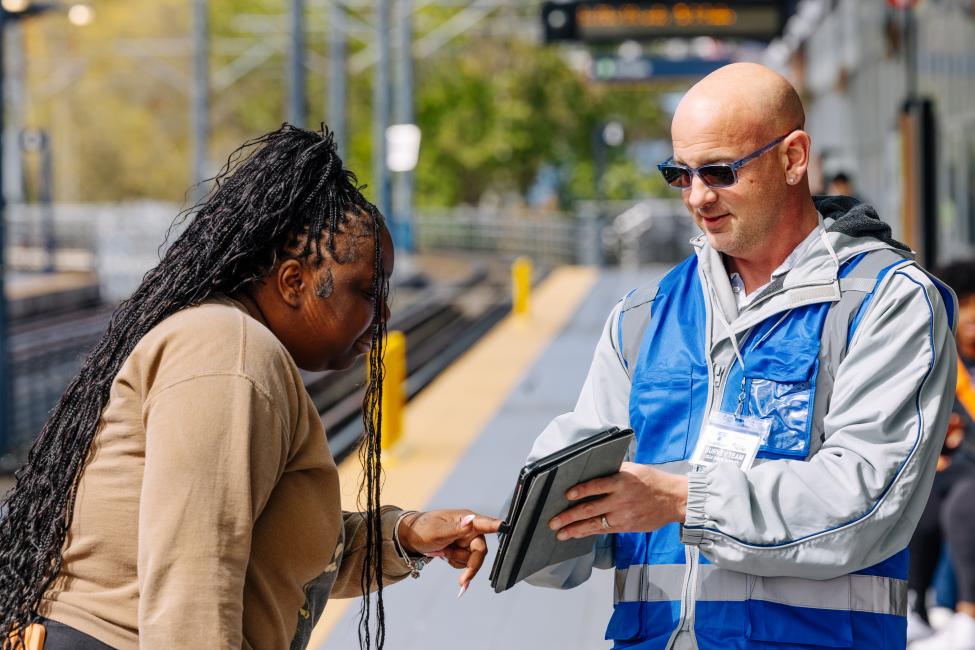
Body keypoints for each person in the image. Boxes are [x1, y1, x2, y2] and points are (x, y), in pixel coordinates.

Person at [0, 125, 499, 650]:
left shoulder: (234, 349)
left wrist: (406, 536)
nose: (384, 315)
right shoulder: (230, 354)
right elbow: (193, 589)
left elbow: (280, 552)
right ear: (293, 282)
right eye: (369, 290)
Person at [524, 63, 957, 650]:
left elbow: (864, 500)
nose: (698, 196)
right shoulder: (644, 315)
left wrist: (682, 500)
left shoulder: (887, 303)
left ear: (793, 157)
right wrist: (521, 530)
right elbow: (586, 484)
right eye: (680, 174)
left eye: (721, 171)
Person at [909, 260, 975, 649]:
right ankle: (915, 607)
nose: (970, 316)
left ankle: (969, 616)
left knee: (965, 505)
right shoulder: (940, 356)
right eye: (963, 305)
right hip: (959, 464)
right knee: (922, 493)